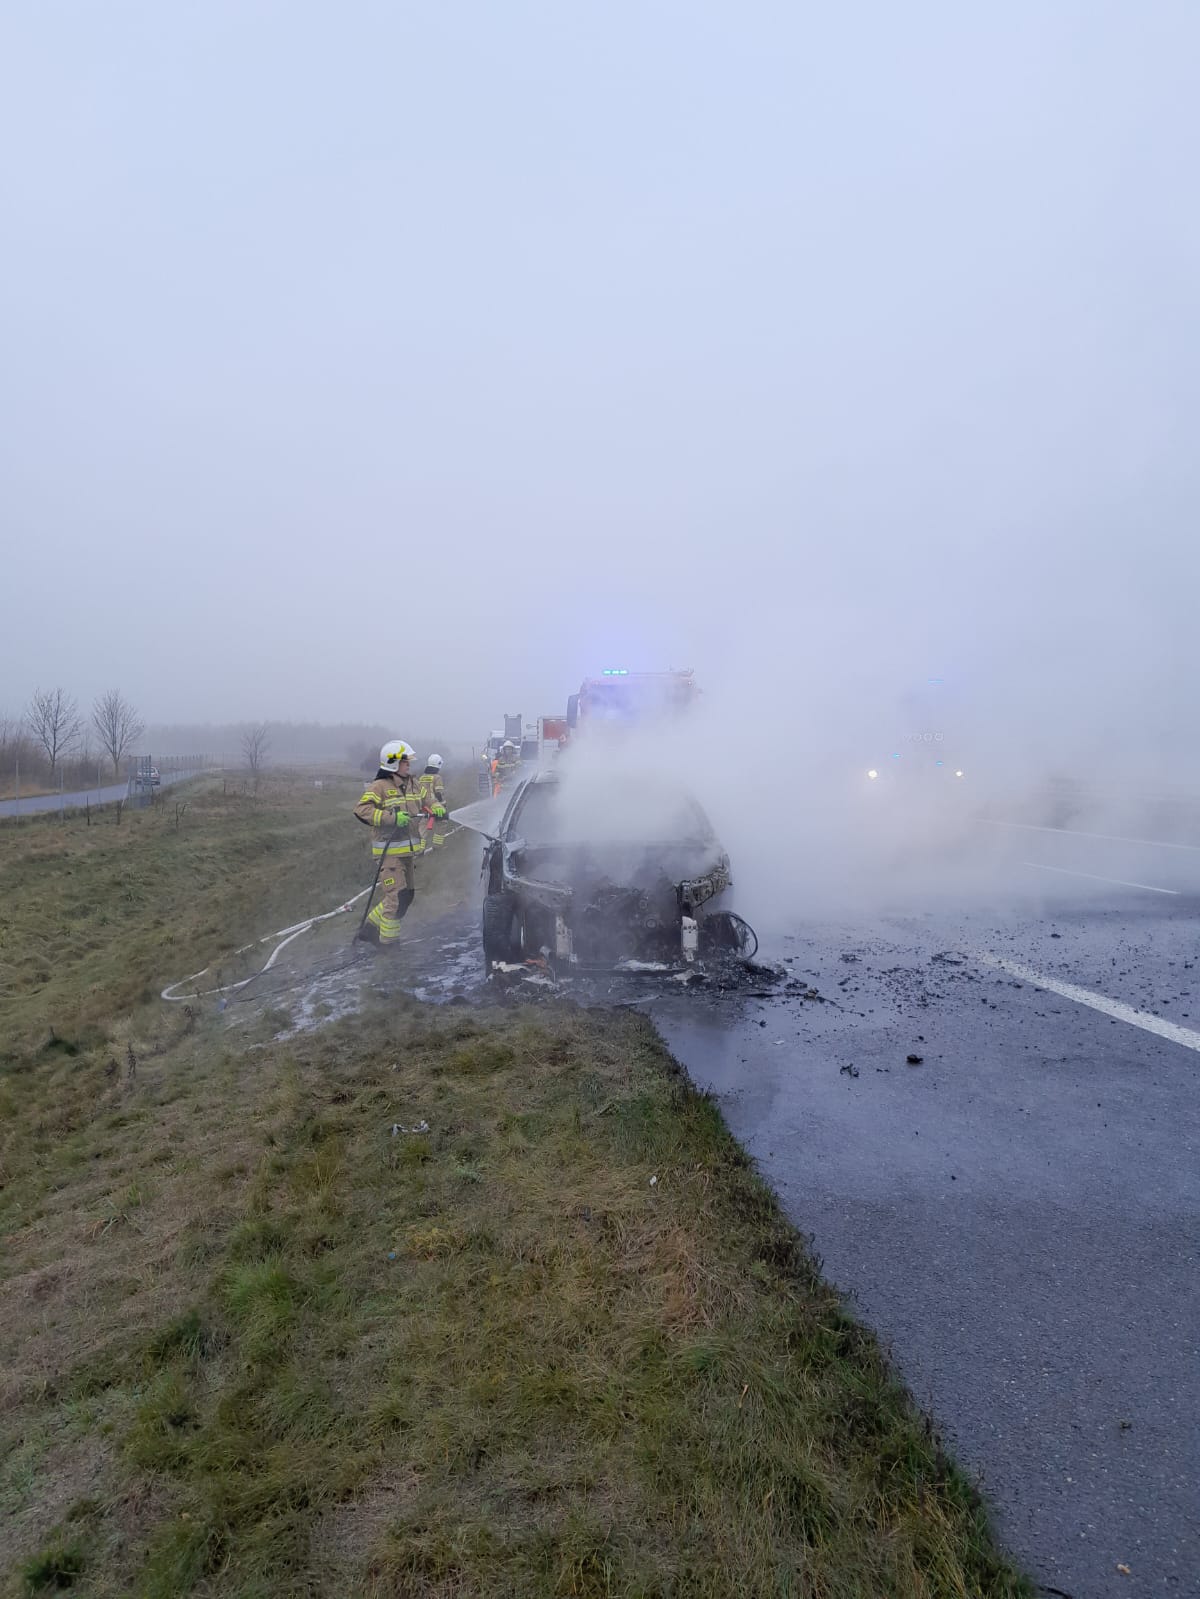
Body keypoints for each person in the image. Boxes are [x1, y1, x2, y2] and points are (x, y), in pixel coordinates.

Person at [352, 740, 427, 944]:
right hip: (389, 854)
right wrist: (392, 817)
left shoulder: (413, 783)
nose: (409, 765)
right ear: (393, 764)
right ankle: (388, 946)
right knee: (397, 898)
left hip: (406, 852)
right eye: (405, 761)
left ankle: (369, 929)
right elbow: (361, 810)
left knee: (407, 896)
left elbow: (428, 799)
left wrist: (436, 807)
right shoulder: (379, 786)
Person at [418, 753, 448, 850]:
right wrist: (443, 806)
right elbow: (439, 793)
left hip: (424, 806)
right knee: (442, 823)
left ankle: (419, 850)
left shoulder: (422, 777)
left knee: (423, 827)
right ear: (439, 764)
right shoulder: (437, 777)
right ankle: (437, 846)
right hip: (435, 805)